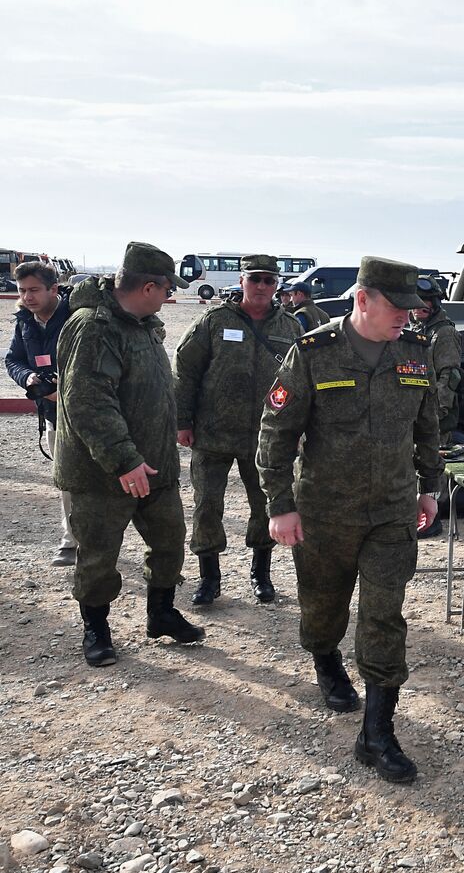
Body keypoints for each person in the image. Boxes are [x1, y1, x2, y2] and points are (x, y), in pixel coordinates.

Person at [257, 256, 442, 784]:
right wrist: (280, 504)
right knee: (324, 605)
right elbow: (276, 434)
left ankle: (377, 734)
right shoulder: (313, 353)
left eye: (412, 307)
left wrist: (429, 488)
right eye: (396, 307)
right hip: (325, 511)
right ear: (362, 300)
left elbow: (428, 427)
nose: (406, 317)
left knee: (384, 613)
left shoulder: (414, 352)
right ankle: (325, 660)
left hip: (391, 511)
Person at [54, 242, 204, 667]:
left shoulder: (143, 324)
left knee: (170, 543)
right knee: (99, 555)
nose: (169, 297)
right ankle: (96, 630)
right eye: (166, 289)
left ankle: (161, 613)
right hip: (103, 472)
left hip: (154, 467)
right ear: (149, 287)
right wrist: (124, 459)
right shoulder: (93, 327)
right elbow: (88, 402)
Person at [175, 255, 303, 606]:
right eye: (255, 279)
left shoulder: (291, 328)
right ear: (242, 281)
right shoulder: (214, 322)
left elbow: (302, 381)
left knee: (265, 505)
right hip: (212, 433)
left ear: (277, 285)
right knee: (206, 506)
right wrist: (183, 421)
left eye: (269, 280)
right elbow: (186, 371)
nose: (262, 286)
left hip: (265, 438)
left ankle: (260, 575)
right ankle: (209, 579)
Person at [6, 261, 76, 565]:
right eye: (22, 290)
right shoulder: (25, 321)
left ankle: (100, 543)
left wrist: (66, 388)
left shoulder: (76, 318)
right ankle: (71, 540)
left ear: (53, 289)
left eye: (34, 289)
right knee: (65, 481)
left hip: (87, 415)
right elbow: (13, 360)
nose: (27, 296)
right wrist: (29, 378)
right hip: (52, 416)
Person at [406, 277, 463, 538]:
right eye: (415, 302)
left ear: (434, 303)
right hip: (415, 406)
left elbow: (449, 376)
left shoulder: (444, 332)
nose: (419, 307)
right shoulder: (417, 328)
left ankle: (434, 517)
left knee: (432, 459)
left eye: (425, 302)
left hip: (434, 409)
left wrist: (437, 412)